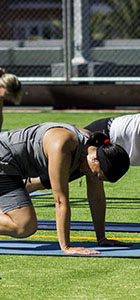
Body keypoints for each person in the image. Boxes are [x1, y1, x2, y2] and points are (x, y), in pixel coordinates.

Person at [8, 121, 130, 255]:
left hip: (15, 168)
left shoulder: (92, 148)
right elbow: (60, 201)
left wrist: (101, 238)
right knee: (24, 225)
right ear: (95, 160)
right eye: (96, 175)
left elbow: (97, 197)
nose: (95, 178)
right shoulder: (64, 145)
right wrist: (66, 247)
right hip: (5, 162)